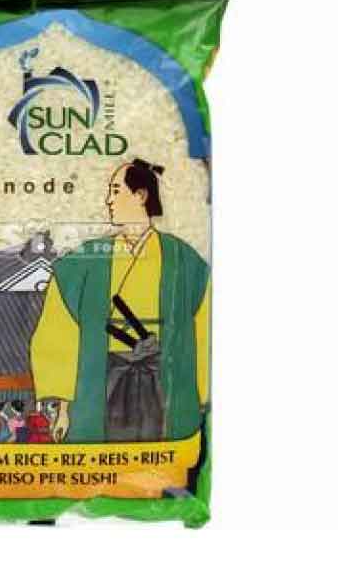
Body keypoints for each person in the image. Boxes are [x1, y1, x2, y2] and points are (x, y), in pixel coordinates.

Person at [29, 158, 211, 442]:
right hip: (104, 380)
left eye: (116, 190)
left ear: (141, 196)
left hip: (163, 379)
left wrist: (203, 397)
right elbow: (60, 332)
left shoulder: (182, 258)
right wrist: (64, 409)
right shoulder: (85, 261)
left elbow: (205, 329)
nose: (108, 200)